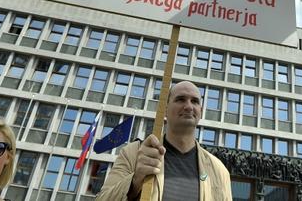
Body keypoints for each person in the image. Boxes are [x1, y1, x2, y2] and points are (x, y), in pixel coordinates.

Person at [96, 80, 232, 201]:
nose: (189, 107)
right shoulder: (133, 153)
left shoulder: (219, 170)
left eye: (195, 101)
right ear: (165, 109)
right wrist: (135, 180)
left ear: (200, 111)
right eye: (180, 99)